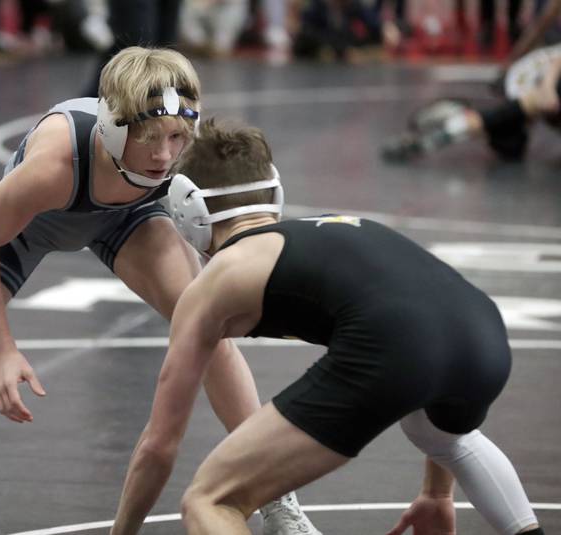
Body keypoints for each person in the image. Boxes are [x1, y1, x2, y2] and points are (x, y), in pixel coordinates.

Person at [0, 47, 319, 535]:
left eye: (176, 138)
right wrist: (4, 350)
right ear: (115, 127)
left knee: (210, 330)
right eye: (150, 139)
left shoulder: (179, 144)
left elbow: (235, 215)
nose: (164, 156)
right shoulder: (54, 163)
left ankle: (276, 498)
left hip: (129, 218)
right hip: (34, 223)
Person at [109, 117, 545, 535]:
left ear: (186, 209)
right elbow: (434, 318)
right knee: (440, 435)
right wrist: (437, 492)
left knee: (210, 499)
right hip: (483, 336)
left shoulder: (215, 281)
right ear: (274, 190)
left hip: (397, 346)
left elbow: (159, 445)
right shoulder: (342, 227)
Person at [380, 43, 561, 162]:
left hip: (541, 82)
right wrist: (548, 88)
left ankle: (467, 116)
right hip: (533, 79)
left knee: (511, 147)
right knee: (507, 132)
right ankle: (438, 134)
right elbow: (556, 62)